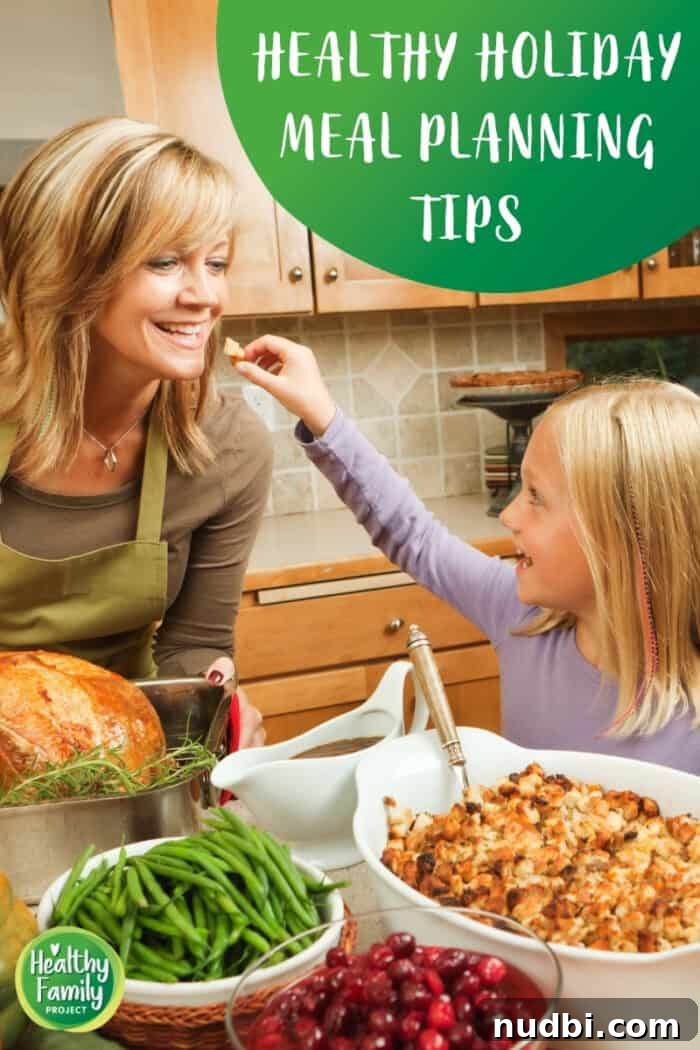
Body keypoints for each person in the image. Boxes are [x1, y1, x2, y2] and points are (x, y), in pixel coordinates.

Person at [233, 335, 700, 773]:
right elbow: (413, 536)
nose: (509, 515)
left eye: (536, 497)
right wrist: (319, 412)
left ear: (621, 537)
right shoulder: (520, 615)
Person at [0, 117, 271, 748]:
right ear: (69, 268)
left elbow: (194, 644)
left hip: (128, 747)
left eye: (216, 262)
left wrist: (210, 706)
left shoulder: (228, 446)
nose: (204, 295)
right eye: (166, 261)